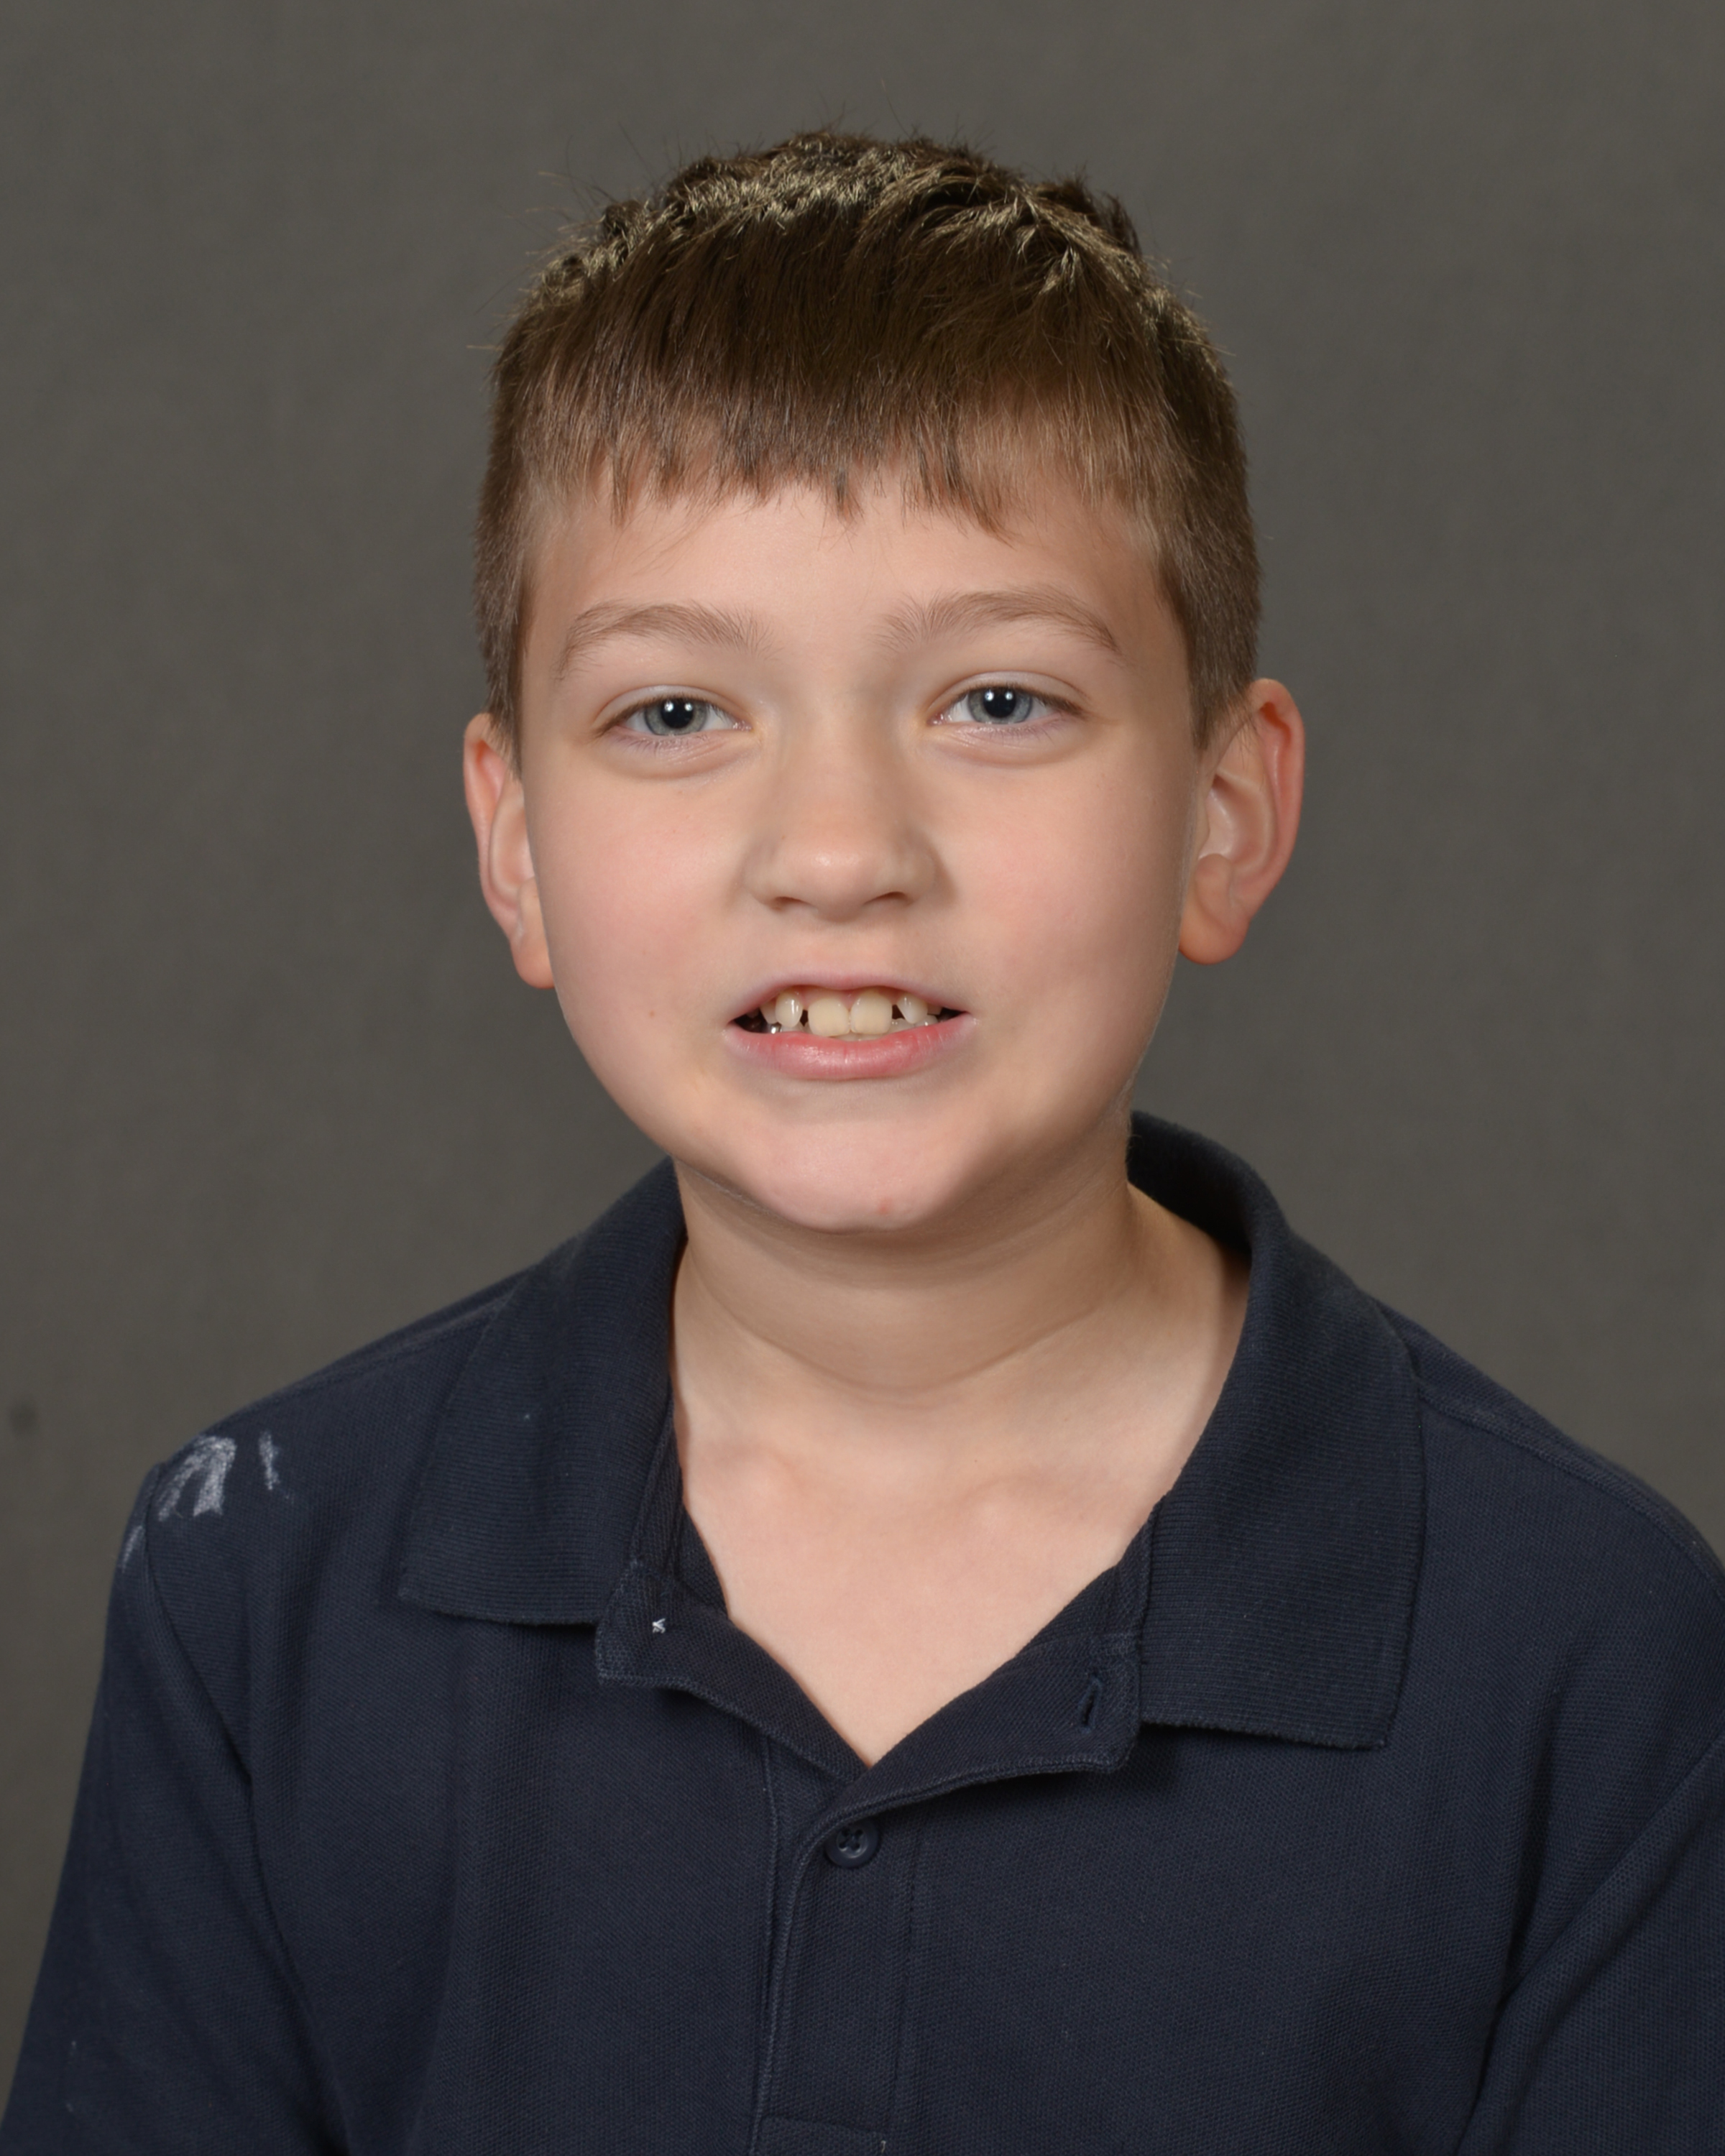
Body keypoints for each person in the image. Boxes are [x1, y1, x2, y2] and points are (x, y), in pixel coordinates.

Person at [4, 132, 1721, 2155]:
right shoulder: (261, 1586)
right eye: (673, 714)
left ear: (1225, 815)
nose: (837, 854)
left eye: (997, 700)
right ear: (514, 845)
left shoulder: (1587, 1655)